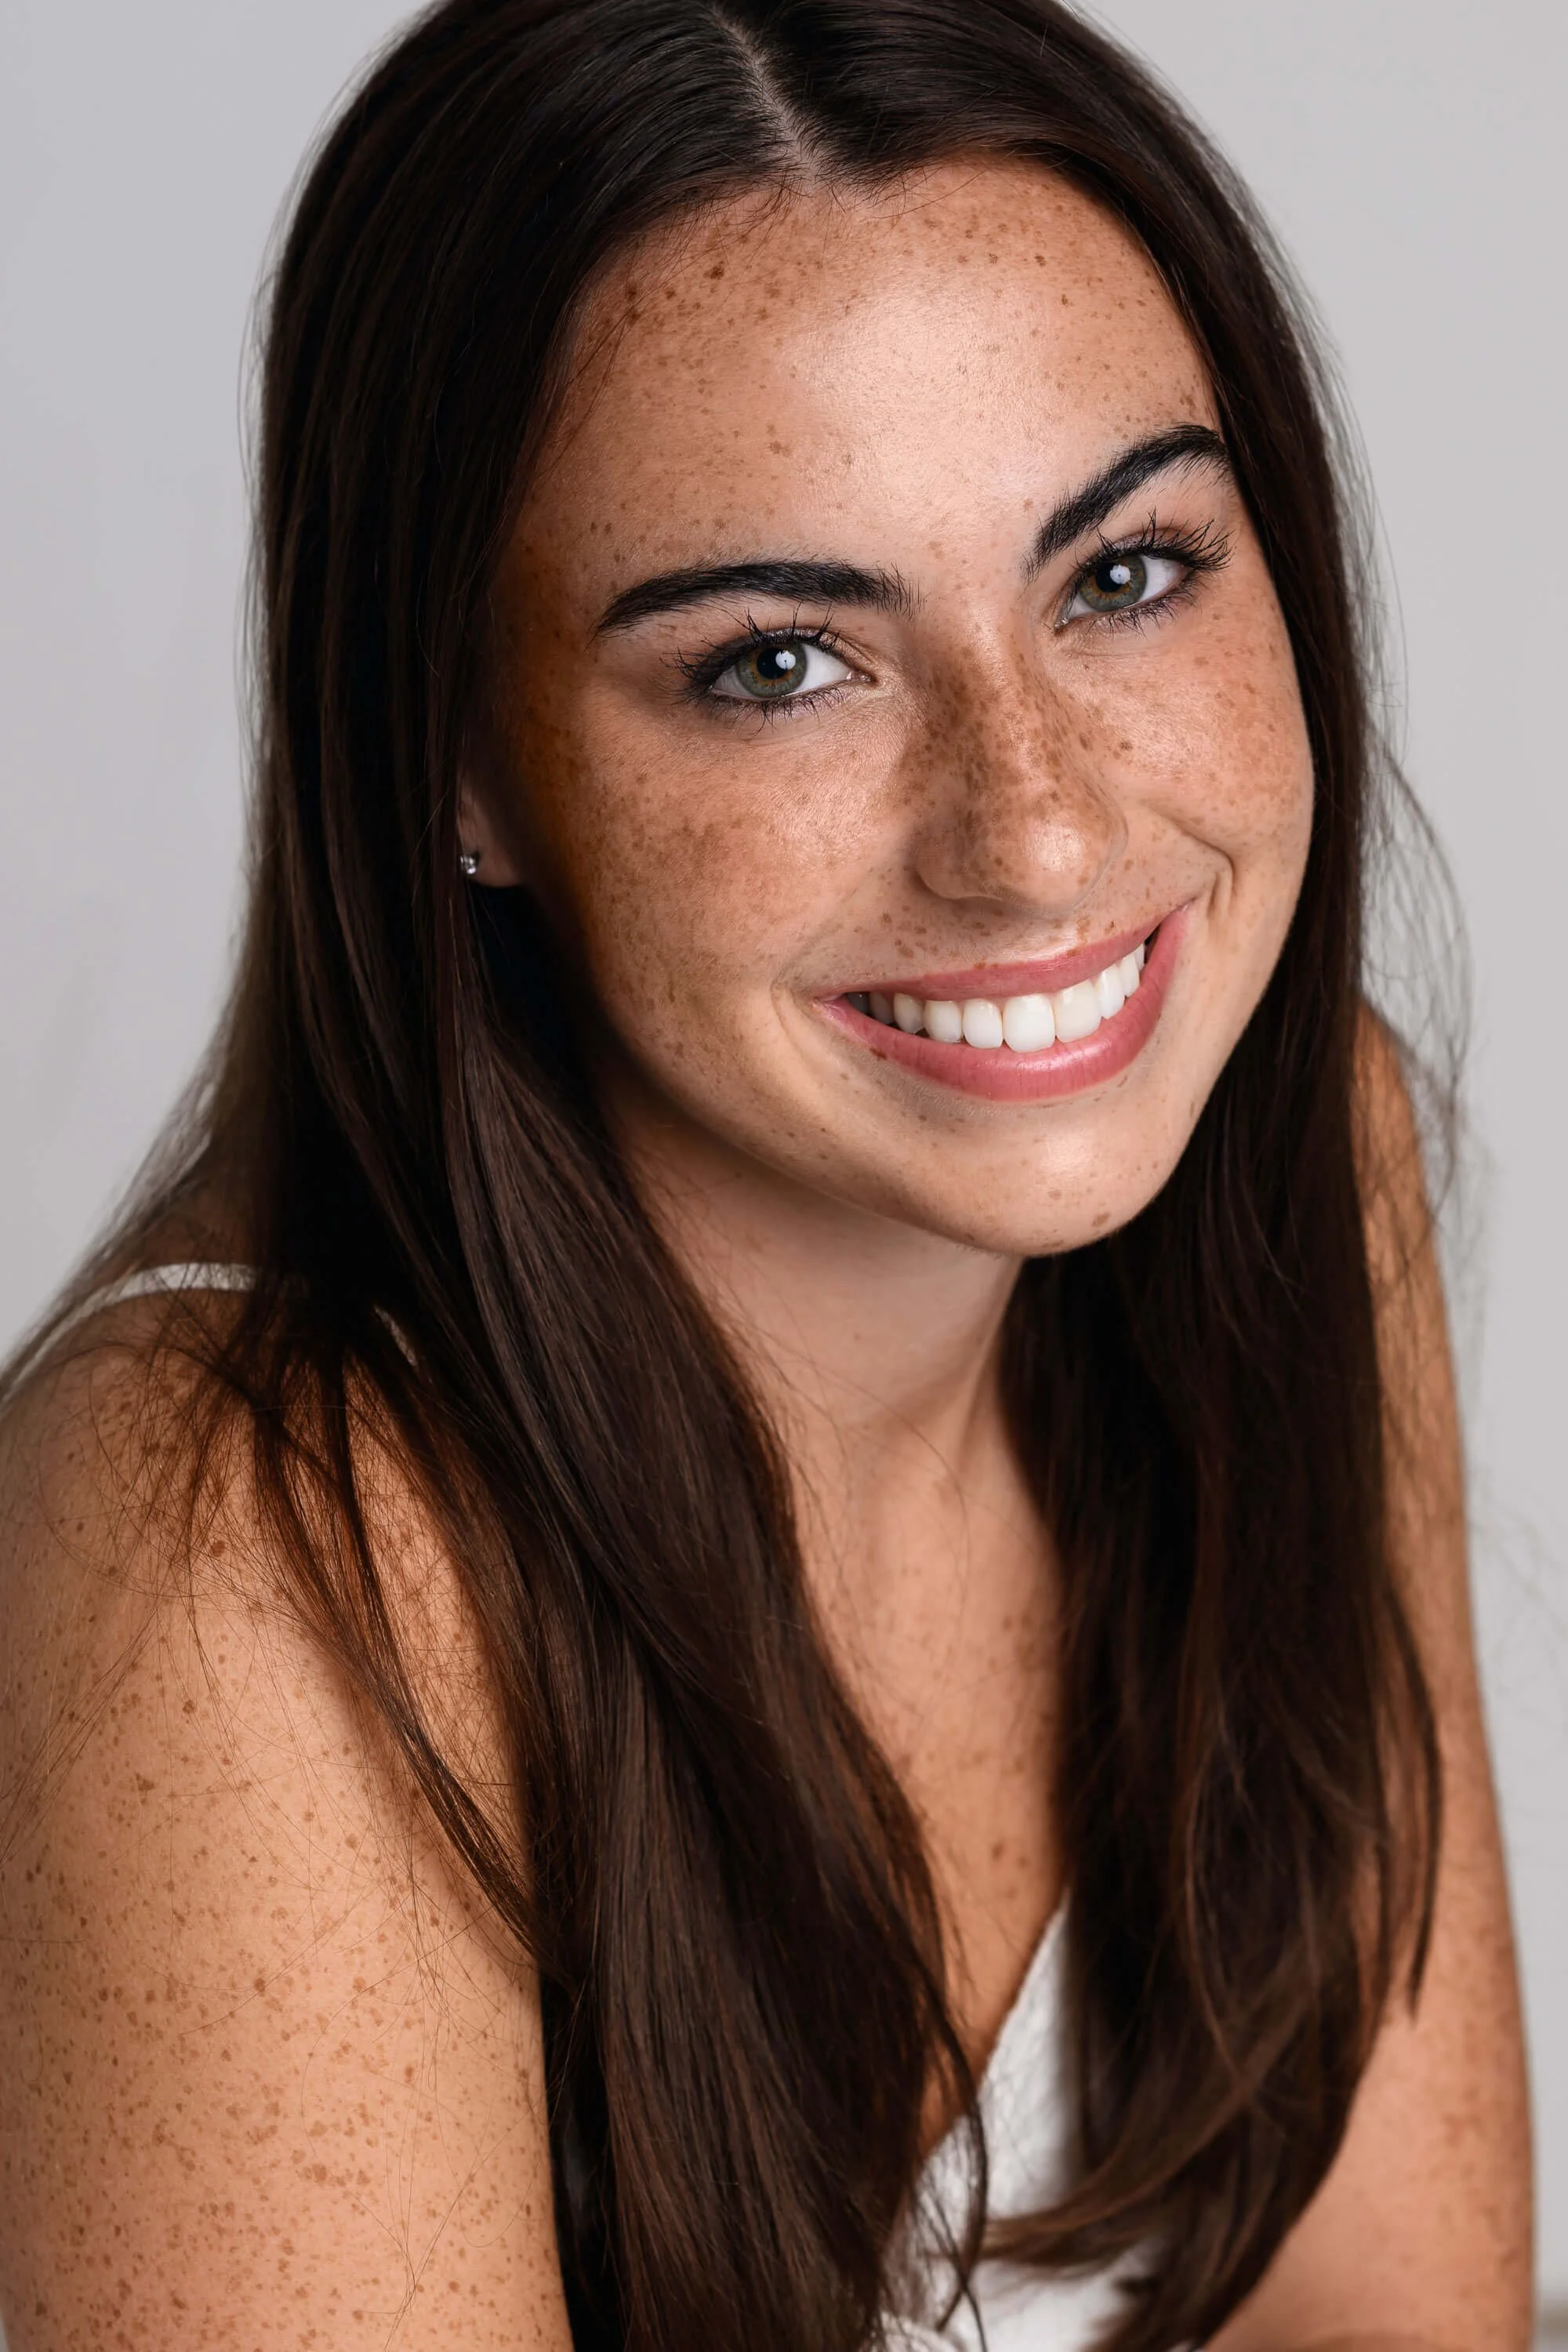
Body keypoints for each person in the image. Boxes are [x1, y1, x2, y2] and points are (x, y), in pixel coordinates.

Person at [0, 3, 1531, 2347]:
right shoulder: (247, 1543)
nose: (1033, 833)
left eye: (1125, 572)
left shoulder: (1304, 1151)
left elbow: (1389, 2313)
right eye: (780, 663)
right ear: (458, 774)